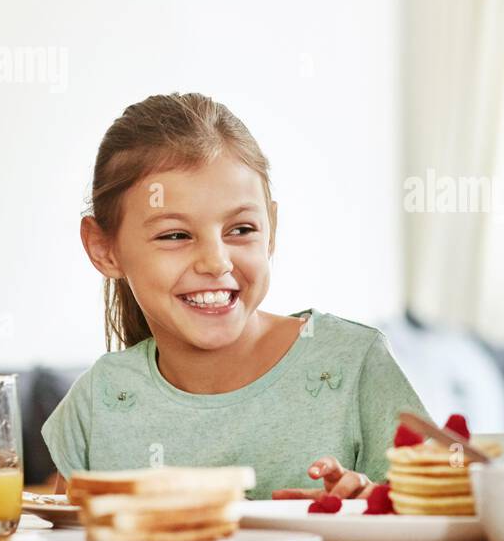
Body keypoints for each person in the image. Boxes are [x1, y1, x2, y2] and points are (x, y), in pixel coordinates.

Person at [41, 93, 429, 500]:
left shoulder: (353, 364)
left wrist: (372, 508)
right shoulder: (98, 402)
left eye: (241, 230)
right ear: (104, 249)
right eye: (175, 235)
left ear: (271, 228)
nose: (216, 261)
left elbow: (442, 518)